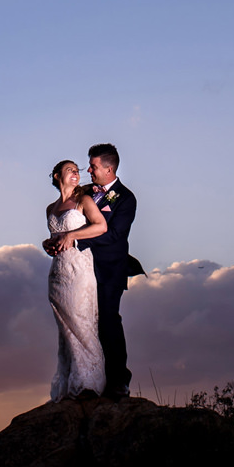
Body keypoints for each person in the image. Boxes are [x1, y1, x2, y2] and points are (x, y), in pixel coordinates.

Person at [49, 143, 142, 399]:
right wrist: (58, 242)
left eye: (94, 166)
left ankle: (118, 381)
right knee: (83, 323)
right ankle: (89, 379)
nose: (88, 170)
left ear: (109, 168)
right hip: (80, 272)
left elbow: (113, 234)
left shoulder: (126, 198)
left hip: (109, 269)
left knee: (108, 322)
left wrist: (75, 238)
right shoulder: (85, 192)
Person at [45, 159, 107, 400]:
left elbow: (100, 227)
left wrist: (72, 234)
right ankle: (70, 383)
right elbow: (56, 237)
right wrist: (48, 243)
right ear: (57, 175)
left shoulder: (84, 200)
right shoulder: (50, 208)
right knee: (66, 331)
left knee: (82, 322)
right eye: (70, 170)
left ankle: (89, 384)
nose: (76, 174)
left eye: (77, 171)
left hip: (80, 269)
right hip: (58, 273)